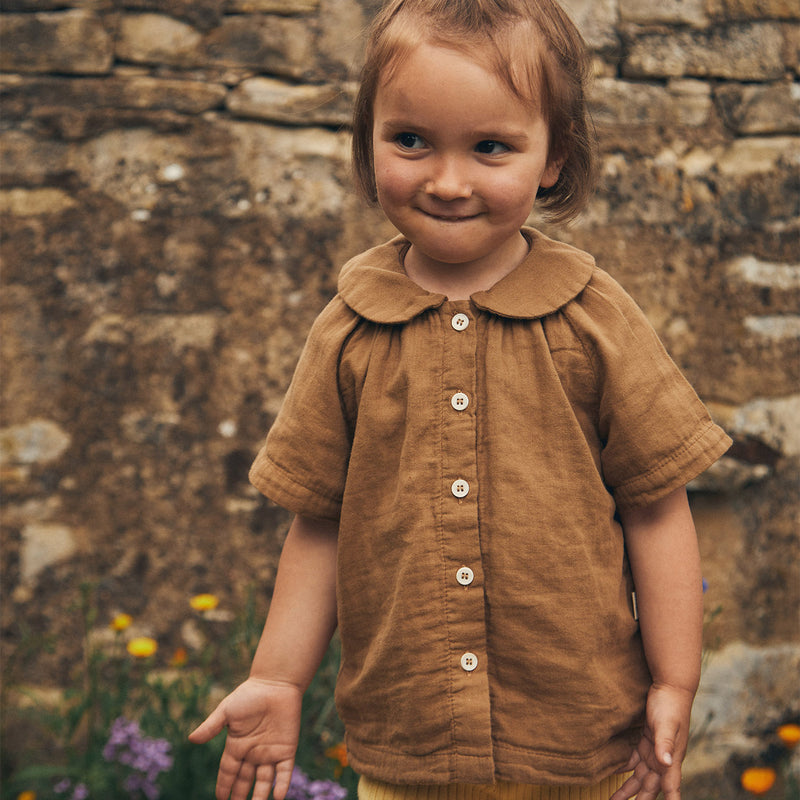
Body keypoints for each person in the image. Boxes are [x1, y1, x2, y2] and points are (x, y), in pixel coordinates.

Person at [189, 1, 732, 799]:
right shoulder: (349, 330)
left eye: (490, 148)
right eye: (410, 141)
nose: (447, 181)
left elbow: (656, 505)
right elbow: (320, 522)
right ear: (368, 140)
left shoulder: (595, 318)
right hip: (410, 751)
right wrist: (277, 677)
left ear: (554, 158)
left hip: (584, 749)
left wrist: (675, 683)